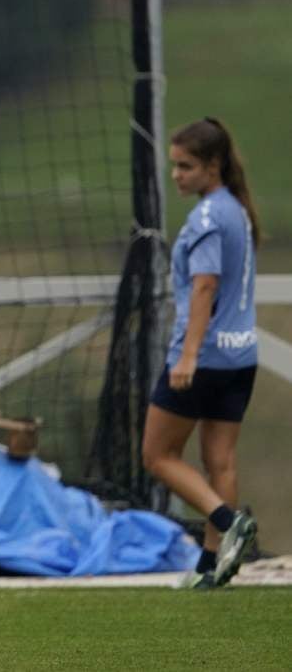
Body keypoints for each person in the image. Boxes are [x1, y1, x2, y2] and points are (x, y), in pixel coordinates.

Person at [141, 117, 260, 590]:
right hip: (241, 356)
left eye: (186, 166)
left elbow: (205, 287)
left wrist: (188, 356)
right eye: (174, 166)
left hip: (204, 356)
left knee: (157, 455)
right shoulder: (237, 210)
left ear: (213, 166)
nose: (176, 175)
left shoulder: (208, 218)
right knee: (220, 461)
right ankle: (211, 567)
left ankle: (229, 521)